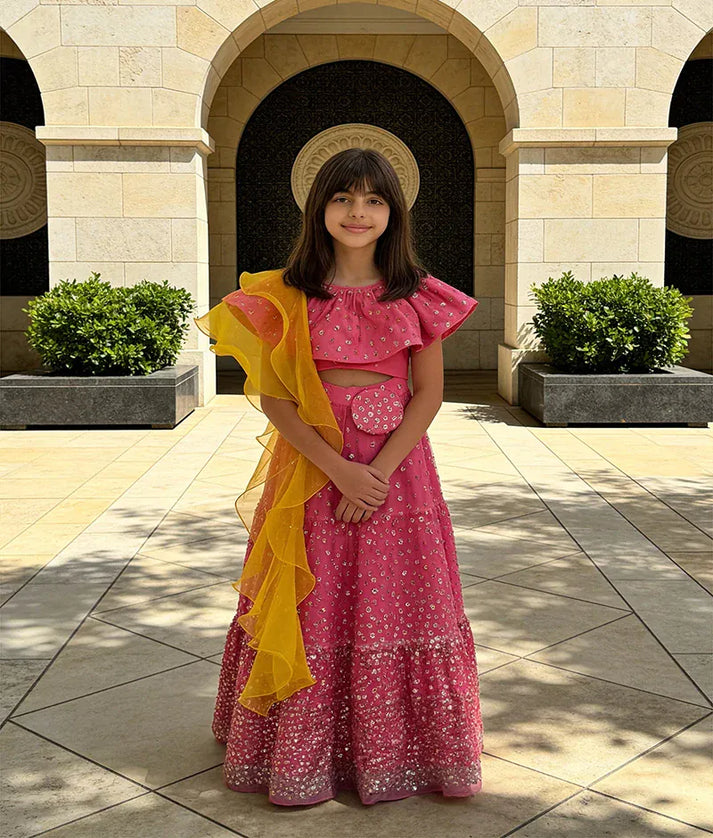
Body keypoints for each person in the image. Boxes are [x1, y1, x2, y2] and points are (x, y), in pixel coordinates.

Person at [193, 147, 483, 807]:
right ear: (318, 207)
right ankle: (297, 755)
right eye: (343, 198)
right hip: (310, 471)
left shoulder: (417, 293)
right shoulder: (283, 297)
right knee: (309, 602)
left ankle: (399, 752)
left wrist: (374, 475)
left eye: (373, 200)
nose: (358, 212)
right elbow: (274, 399)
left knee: (394, 601)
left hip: (397, 475)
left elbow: (428, 395)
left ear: (393, 212)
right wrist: (337, 473)